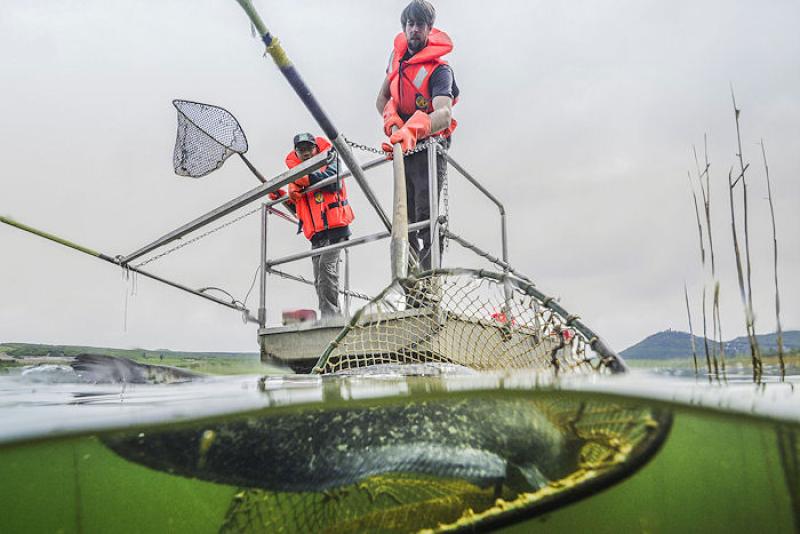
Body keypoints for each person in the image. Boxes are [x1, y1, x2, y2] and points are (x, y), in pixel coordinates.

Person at [376, 0, 459, 271]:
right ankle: (411, 284)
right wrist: (393, 125)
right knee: (405, 217)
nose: (414, 29)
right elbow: (382, 100)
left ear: (429, 29)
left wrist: (412, 130)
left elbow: (443, 113)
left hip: (429, 148)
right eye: (410, 24)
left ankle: (429, 282)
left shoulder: (440, 70)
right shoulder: (396, 61)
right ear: (405, 27)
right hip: (404, 149)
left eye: (420, 25)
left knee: (426, 215)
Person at [269, 133, 354, 318]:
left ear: (316, 149)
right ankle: (333, 315)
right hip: (317, 236)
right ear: (296, 153)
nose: (306, 153)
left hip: (336, 230)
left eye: (309, 148)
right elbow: (300, 209)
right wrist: (281, 196)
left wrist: (304, 179)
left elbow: (334, 183)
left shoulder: (330, 160)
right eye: (301, 150)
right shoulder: (296, 178)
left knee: (326, 270)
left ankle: (330, 317)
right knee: (319, 279)